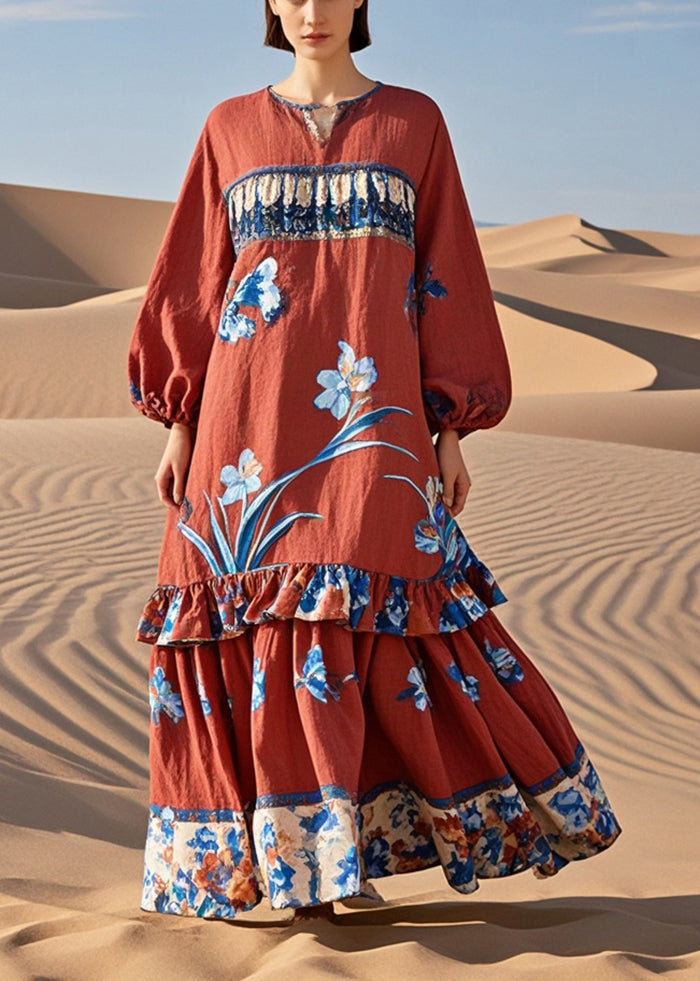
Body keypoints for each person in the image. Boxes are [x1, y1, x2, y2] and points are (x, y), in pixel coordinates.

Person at [127, 0, 622, 923]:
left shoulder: (416, 122)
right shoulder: (228, 126)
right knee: (246, 612)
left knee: (381, 607)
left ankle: (360, 850)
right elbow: (194, 280)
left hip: (376, 428)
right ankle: (289, 872)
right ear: (271, 5)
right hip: (243, 436)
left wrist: (451, 427)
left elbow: (448, 275)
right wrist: (177, 422)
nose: (313, 10)